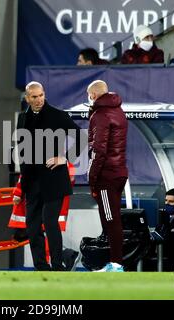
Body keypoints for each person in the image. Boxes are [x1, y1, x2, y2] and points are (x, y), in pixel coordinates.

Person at [15, 81, 83, 271]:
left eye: (41, 95)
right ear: (27, 98)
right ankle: (40, 266)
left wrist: (65, 158)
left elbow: (81, 137)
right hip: (31, 180)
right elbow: (22, 152)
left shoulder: (58, 115)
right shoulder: (22, 118)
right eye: (34, 97)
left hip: (53, 179)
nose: (38, 100)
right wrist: (21, 186)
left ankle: (57, 264)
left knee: (50, 222)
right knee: (33, 225)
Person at [87, 80, 128, 272]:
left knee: (110, 220)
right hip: (119, 172)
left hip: (107, 176)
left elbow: (98, 151)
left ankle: (116, 264)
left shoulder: (101, 115)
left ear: (93, 95)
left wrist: (92, 180)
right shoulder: (119, 111)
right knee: (114, 219)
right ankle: (116, 262)